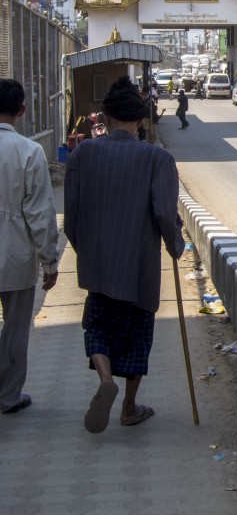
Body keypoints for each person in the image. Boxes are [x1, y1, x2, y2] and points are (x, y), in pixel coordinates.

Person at [64, 76, 184, 433]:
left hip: (98, 263)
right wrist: (174, 245)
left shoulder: (83, 153)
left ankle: (105, 379)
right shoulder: (157, 158)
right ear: (139, 120)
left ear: (105, 116)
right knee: (136, 335)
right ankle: (129, 407)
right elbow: (164, 213)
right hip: (139, 266)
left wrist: (85, 249)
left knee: (97, 325)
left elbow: (71, 215)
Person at [0, 79, 59, 415]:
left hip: (15, 256)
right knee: (16, 330)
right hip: (15, 257)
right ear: (21, 111)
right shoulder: (29, 151)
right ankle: (8, 397)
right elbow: (39, 214)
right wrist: (49, 262)